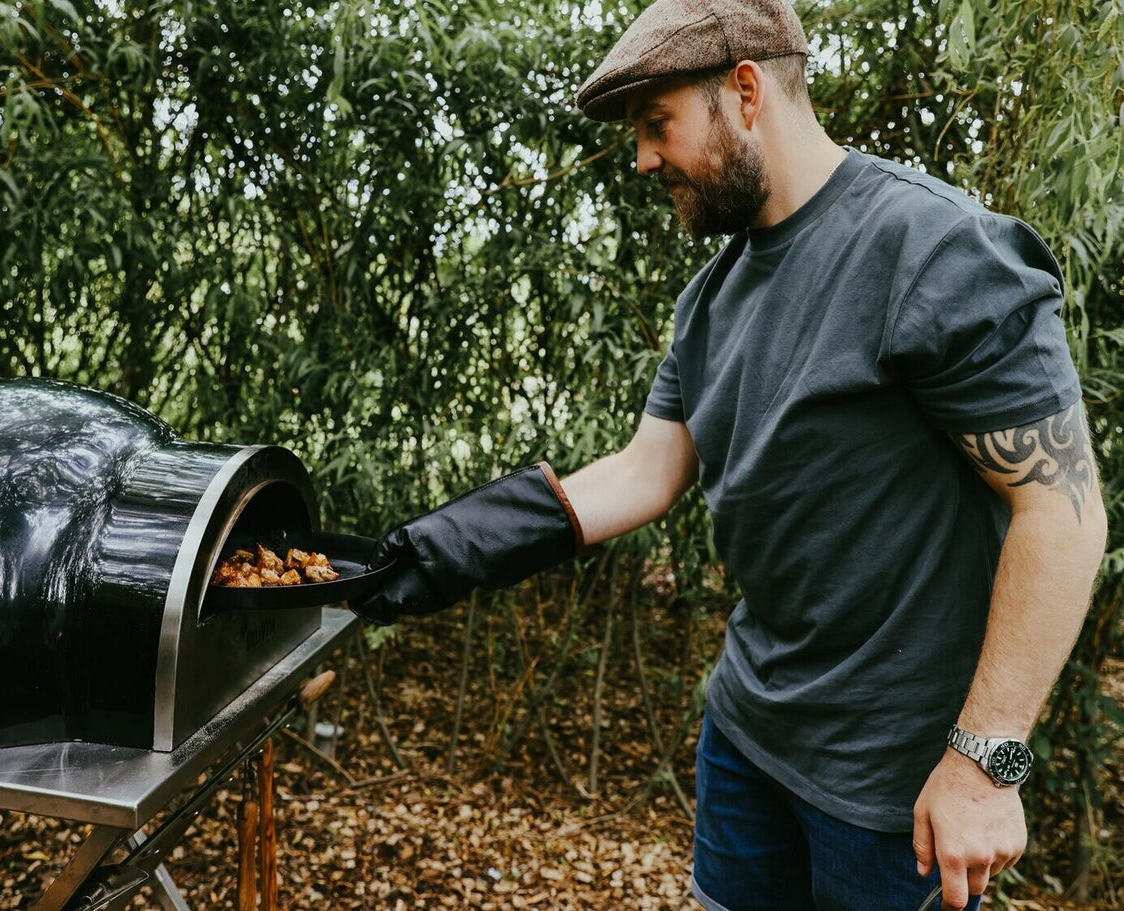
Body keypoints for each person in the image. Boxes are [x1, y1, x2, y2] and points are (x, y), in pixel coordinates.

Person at [350, 0, 1108, 908]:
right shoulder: (710, 299)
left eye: (655, 124)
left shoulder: (933, 250)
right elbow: (645, 473)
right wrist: (431, 555)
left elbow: (1063, 512)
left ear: (744, 91)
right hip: (746, 738)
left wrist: (986, 762)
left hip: (894, 789)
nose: (641, 159)